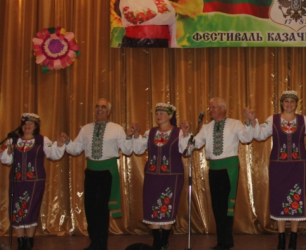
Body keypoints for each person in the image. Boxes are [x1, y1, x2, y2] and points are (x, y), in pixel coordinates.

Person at [247, 91, 306, 250]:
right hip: (278, 166)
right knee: (279, 199)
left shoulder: (304, 120)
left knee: (296, 200)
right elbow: (260, 135)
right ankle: (281, 237)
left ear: (296, 104)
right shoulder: (272, 120)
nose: (289, 104)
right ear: (282, 103)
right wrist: (252, 120)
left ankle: (294, 238)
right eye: (286, 101)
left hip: (298, 166)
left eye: (292, 101)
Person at [179, 98, 254, 250]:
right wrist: (186, 133)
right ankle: (223, 241)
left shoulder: (235, 124)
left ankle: (225, 241)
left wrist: (249, 121)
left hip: (230, 168)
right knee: (217, 206)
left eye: (213, 107)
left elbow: (246, 138)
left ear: (222, 109)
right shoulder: (206, 127)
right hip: (214, 169)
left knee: (228, 205)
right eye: (210, 108)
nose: (210, 110)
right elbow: (193, 145)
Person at [66, 98, 129, 250]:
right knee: (90, 208)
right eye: (97, 106)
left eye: (103, 107)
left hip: (107, 173)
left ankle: (101, 245)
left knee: (101, 210)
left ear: (109, 112)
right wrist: (66, 141)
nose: (99, 109)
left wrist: (130, 136)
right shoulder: (86, 129)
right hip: (91, 173)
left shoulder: (117, 128)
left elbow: (127, 149)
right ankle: (94, 242)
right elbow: (75, 149)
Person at [1, 113, 67, 250]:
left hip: (35, 181)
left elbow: (53, 154)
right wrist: (9, 151)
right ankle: (20, 241)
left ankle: (29, 240)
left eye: (30, 123)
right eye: (25, 123)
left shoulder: (42, 140)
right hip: (16, 180)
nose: (27, 126)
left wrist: (59, 145)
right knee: (16, 209)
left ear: (36, 126)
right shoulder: (13, 140)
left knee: (31, 208)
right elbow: (5, 160)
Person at [123, 103, 185, 250]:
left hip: (172, 176)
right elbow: (138, 150)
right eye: (157, 113)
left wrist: (187, 134)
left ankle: (164, 240)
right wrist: (136, 134)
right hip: (152, 176)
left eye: (162, 113)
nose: (158, 116)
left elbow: (185, 150)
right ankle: (157, 242)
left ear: (170, 115)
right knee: (152, 207)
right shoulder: (150, 133)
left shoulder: (179, 133)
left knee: (167, 207)